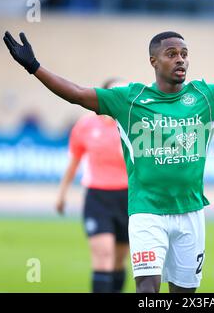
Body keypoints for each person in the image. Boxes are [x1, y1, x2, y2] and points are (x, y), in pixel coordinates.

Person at [3, 25, 214, 293]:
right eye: (171, 54)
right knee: (147, 290)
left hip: (191, 214)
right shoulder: (129, 100)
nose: (180, 60)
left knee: (184, 295)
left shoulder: (206, 96)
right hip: (147, 213)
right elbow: (76, 93)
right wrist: (34, 67)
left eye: (185, 54)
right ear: (153, 61)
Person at [56, 79, 129, 293]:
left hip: (128, 198)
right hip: (98, 198)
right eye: (116, 92)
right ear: (104, 95)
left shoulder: (134, 124)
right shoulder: (86, 125)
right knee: (103, 257)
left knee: (118, 261)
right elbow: (74, 162)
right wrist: (62, 194)